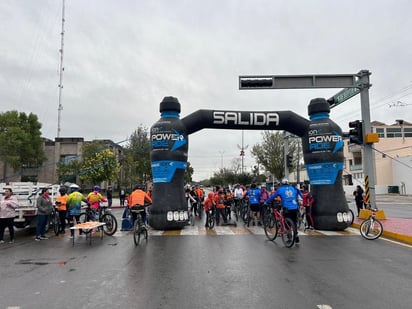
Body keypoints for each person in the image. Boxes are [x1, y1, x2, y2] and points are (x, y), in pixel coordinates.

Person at [265, 178, 302, 243]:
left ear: (282, 183)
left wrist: (266, 202)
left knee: (286, 222)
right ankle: (296, 236)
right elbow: (299, 194)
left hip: (287, 208)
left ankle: (289, 237)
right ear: (288, 183)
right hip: (295, 207)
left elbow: (272, 197)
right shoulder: (293, 188)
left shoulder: (280, 189)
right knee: (294, 222)